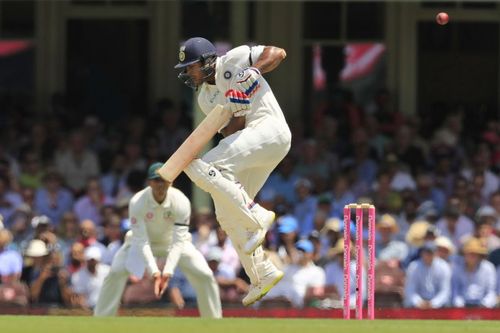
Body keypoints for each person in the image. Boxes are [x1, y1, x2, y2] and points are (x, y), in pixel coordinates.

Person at [174, 37, 291, 306]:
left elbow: (279, 52)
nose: (187, 74)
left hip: (271, 130)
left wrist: (252, 72)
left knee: (211, 164)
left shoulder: (236, 58)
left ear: (206, 61)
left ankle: (257, 213)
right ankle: (261, 273)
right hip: (253, 143)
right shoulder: (206, 98)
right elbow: (232, 133)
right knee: (226, 215)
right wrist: (238, 106)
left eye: (190, 67)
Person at [94, 162, 221, 318]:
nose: (160, 185)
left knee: (205, 275)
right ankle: (101, 321)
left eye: (164, 180)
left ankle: (214, 322)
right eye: (156, 180)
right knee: (115, 273)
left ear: (171, 181)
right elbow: (141, 241)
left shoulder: (181, 201)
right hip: (140, 242)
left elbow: (178, 241)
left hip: (172, 243)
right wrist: (154, 272)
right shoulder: (137, 202)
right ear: (149, 182)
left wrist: (167, 272)